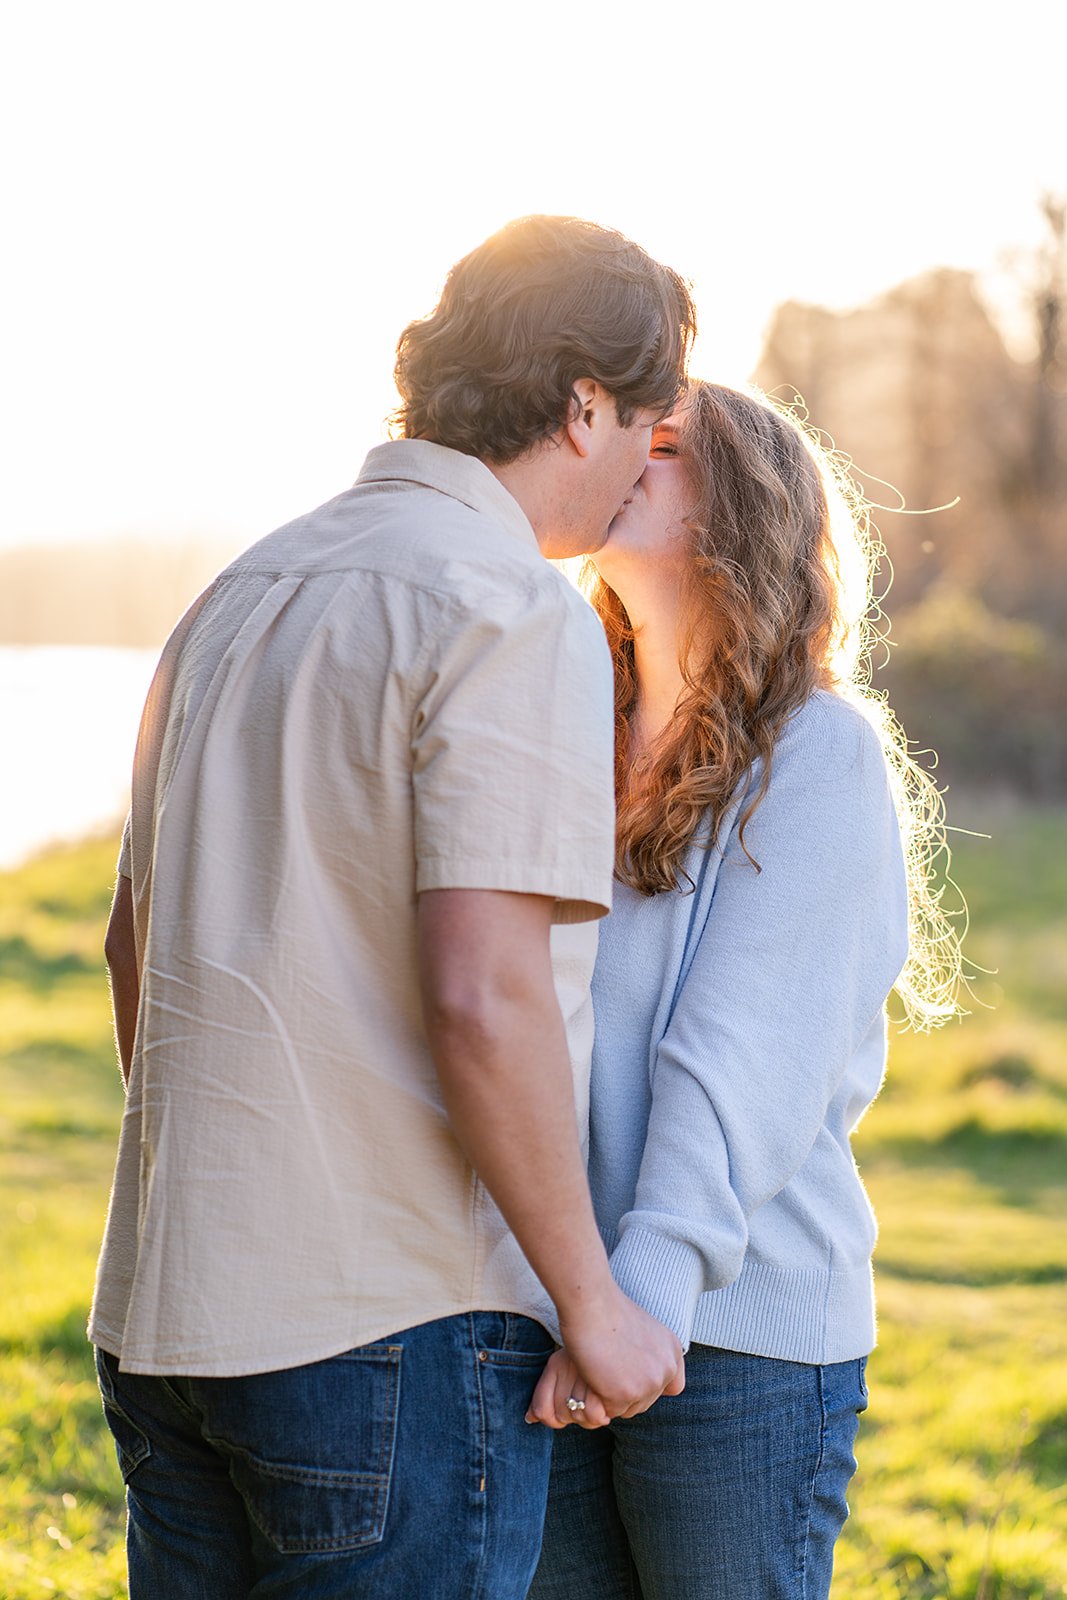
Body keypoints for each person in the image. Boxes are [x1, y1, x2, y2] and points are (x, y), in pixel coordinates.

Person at [91, 215, 697, 1600]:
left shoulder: (235, 595)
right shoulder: (501, 605)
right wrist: (592, 1303)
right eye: (645, 426)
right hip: (389, 1335)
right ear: (581, 401)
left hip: (167, 1323)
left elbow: (135, 949)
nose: (638, 466)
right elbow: (484, 993)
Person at [527, 380, 963, 1599]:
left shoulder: (818, 755)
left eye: (659, 442)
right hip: (555, 1314)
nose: (616, 452)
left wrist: (644, 1303)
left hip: (731, 1343)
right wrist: (572, 1301)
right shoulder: (564, 735)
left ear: (745, 506)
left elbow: (743, 1065)